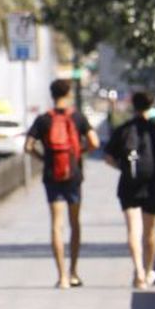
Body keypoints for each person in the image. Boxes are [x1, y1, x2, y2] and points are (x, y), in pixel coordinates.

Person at [25, 78, 100, 289]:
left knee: (56, 226)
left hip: (52, 175)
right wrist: (79, 153)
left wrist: (44, 159)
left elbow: (28, 146)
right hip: (74, 176)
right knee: (74, 224)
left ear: (52, 95)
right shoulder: (77, 117)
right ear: (68, 94)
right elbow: (95, 142)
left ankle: (62, 277)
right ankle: (74, 271)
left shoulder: (43, 120)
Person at [103, 91, 155, 289]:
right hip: (152, 185)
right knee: (150, 232)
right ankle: (148, 270)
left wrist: (124, 168)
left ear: (133, 106)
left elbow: (109, 158)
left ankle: (137, 272)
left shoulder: (123, 130)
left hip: (128, 185)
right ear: (151, 105)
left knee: (132, 230)